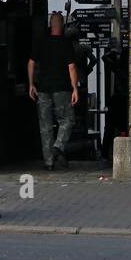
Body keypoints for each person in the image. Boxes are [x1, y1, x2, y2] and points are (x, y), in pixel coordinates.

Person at [28, 11, 79, 170]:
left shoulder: (41, 42)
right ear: (62, 25)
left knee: (45, 126)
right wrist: (75, 88)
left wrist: (31, 84)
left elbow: (30, 63)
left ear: (50, 24)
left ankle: (49, 162)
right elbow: (71, 67)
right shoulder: (65, 43)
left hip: (42, 88)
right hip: (61, 89)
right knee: (67, 119)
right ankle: (58, 145)